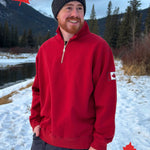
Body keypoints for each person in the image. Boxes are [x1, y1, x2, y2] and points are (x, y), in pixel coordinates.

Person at [29, 0, 117, 150]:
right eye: (69, 8)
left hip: (80, 143)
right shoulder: (45, 49)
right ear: (57, 14)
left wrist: (100, 142)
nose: (75, 14)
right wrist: (35, 121)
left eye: (79, 8)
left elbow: (107, 100)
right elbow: (38, 90)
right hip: (42, 138)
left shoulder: (99, 48)